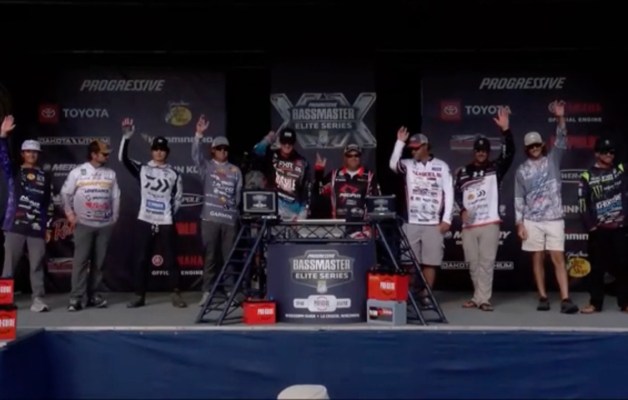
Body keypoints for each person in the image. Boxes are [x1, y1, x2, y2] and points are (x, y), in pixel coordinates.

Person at [514, 100, 578, 313]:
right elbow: (518, 198)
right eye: (530, 146)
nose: (534, 148)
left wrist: (560, 117)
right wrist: (519, 223)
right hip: (532, 220)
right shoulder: (521, 171)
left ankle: (565, 298)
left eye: (537, 145)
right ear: (526, 149)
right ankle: (542, 296)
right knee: (537, 257)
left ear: (542, 145)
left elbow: (562, 137)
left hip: (554, 218)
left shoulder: (553, 159)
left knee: (558, 257)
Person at [119, 117, 187, 308]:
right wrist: (127, 138)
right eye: (156, 149)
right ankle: (139, 295)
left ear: (167, 152)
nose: (159, 152)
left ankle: (176, 293)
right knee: (141, 258)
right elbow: (123, 159)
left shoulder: (174, 173)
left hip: (165, 220)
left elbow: (178, 199)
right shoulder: (143, 168)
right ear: (152, 151)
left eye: (162, 149)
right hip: (145, 219)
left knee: (171, 258)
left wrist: (168, 215)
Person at [454, 107, 514, 311]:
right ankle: (477, 296)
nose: (481, 153)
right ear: (474, 152)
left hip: (489, 223)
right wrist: (462, 210)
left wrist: (506, 131)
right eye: (478, 150)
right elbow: (456, 194)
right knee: (473, 263)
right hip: (469, 225)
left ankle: (484, 299)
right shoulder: (463, 172)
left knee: (486, 263)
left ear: (488, 152)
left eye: (484, 150)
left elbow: (510, 153)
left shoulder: (495, 169)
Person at [389, 127, 453, 294]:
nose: (413, 151)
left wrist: (447, 219)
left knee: (430, 262)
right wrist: (399, 142)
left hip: (433, 223)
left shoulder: (442, 166)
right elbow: (393, 164)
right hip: (411, 221)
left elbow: (449, 192)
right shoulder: (408, 165)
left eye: (416, 148)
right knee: (409, 262)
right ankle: (409, 295)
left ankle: (426, 295)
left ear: (425, 147)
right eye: (411, 148)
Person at [0, 115, 53, 312]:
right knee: (9, 265)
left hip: (37, 227)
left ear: (38, 155)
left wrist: (48, 227)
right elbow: (3, 158)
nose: (31, 155)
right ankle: (4, 300)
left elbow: (47, 203)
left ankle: (38, 300)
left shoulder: (44, 176)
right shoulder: (14, 171)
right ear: (22, 154)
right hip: (14, 225)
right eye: (28, 151)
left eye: (35, 152)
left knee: (37, 265)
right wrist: (3, 136)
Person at [61, 139, 120, 312]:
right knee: (80, 262)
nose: (107, 156)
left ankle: (94, 295)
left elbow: (116, 196)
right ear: (94, 154)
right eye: (104, 154)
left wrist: (115, 217)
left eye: (108, 153)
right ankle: (76, 298)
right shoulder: (78, 172)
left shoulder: (111, 173)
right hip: (84, 224)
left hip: (104, 224)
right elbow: (65, 193)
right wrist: (70, 214)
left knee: (99, 262)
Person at [192, 115, 243, 305]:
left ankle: (230, 290)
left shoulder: (235, 171)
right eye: (219, 148)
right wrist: (199, 135)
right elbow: (195, 156)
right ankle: (207, 291)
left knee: (230, 256)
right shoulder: (206, 167)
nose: (223, 151)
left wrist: (233, 214)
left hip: (229, 220)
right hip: (210, 219)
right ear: (213, 150)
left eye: (225, 148)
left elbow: (238, 196)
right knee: (210, 256)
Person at [577, 137, 628, 314]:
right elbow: (582, 204)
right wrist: (591, 227)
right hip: (599, 230)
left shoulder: (620, 170)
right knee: (597, 268)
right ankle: (595, 303)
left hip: (620, 229)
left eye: (612, 152)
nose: (609, 155)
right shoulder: (587, 176)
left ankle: (625, 303)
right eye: (605, 152)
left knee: (624, 266)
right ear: (597, 154)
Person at [314, 144, 380, 236]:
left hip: (361, 229)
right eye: (350, 155)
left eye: (356, 155)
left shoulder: (369, 176)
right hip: (337, 227)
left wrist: (371, 229)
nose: (353, 158)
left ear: (360, 157)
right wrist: (319, 172)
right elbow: (319, 191)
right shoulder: (334, 175)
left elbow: (376, 203)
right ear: (345, 157)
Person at [252, 128, 311, 221]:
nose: (287, 145)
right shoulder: (271, 156)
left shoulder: (302, 162)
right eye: (284, 141)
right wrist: (268, 139)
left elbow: (306, 189)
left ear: (294, 143)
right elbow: (257, 152)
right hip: (273, 209)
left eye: (290, 142)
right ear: (280, 141)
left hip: (293, 212)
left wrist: (303, 211)